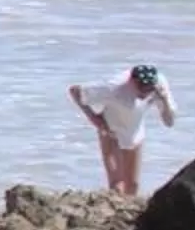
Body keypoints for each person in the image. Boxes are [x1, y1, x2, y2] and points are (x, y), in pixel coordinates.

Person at [70, 64, 177, 196]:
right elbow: (75, 91)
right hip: (110, 131)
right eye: (141, 88)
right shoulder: (114, 87)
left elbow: (169, 122)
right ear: (131, 81)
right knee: (117, 185)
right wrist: (94, 118)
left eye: (149, 89)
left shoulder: (158, 86)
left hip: (134, 134)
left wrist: (165, 100)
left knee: (132, 186)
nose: (145, 93)